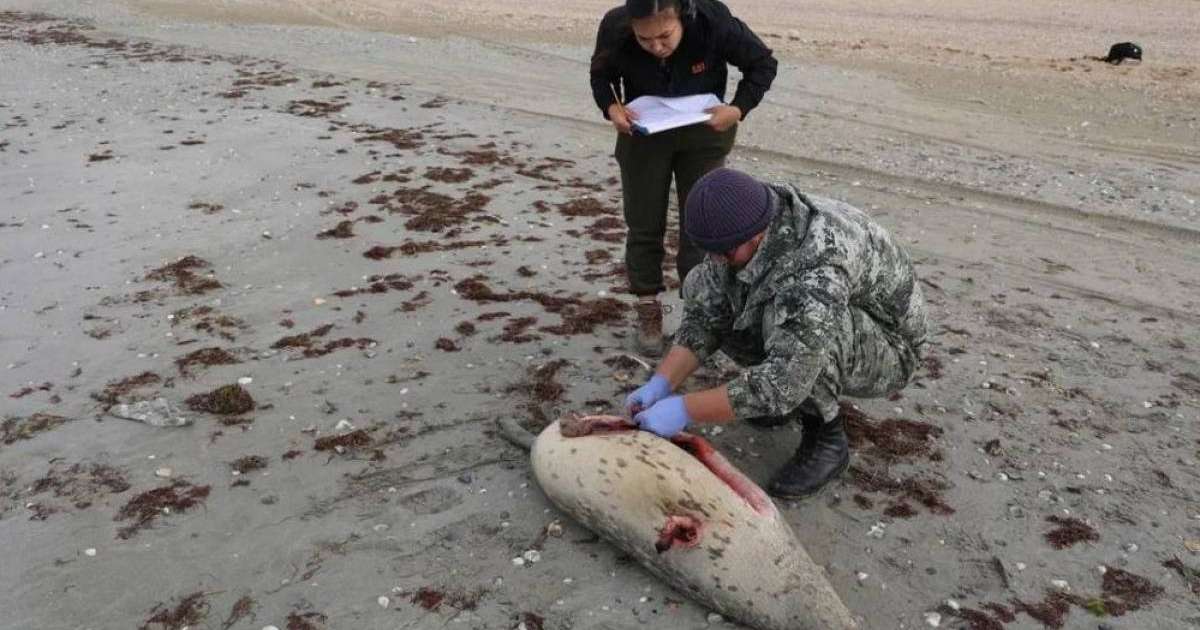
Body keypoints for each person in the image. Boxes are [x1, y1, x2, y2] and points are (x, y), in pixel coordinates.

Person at [623, 168, 931, 499]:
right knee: (704, 285)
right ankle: (773, 405)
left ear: (756, 235)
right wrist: (661, 383)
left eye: (724, 251)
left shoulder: (816, 265)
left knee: (809, 332)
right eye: (710, 250)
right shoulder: (744, 222)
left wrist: (683, 410)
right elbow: (705, 318)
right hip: (819, 311)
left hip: (891, 347)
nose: (717, 258)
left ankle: (826, 436)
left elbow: (785, 381)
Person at [590, 0, 777, 356]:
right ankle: (648, 309)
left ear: (683, 16)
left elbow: (763, 63)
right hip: (643, 134)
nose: (657, 47)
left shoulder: (711, 20)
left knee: (703, 229)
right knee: (644, 222)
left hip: (705, 131)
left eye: (665, 36)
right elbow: (601, 75)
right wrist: (611, 108)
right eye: (645, 40)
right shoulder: (615, 25)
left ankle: (698, 314)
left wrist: (737, 109)